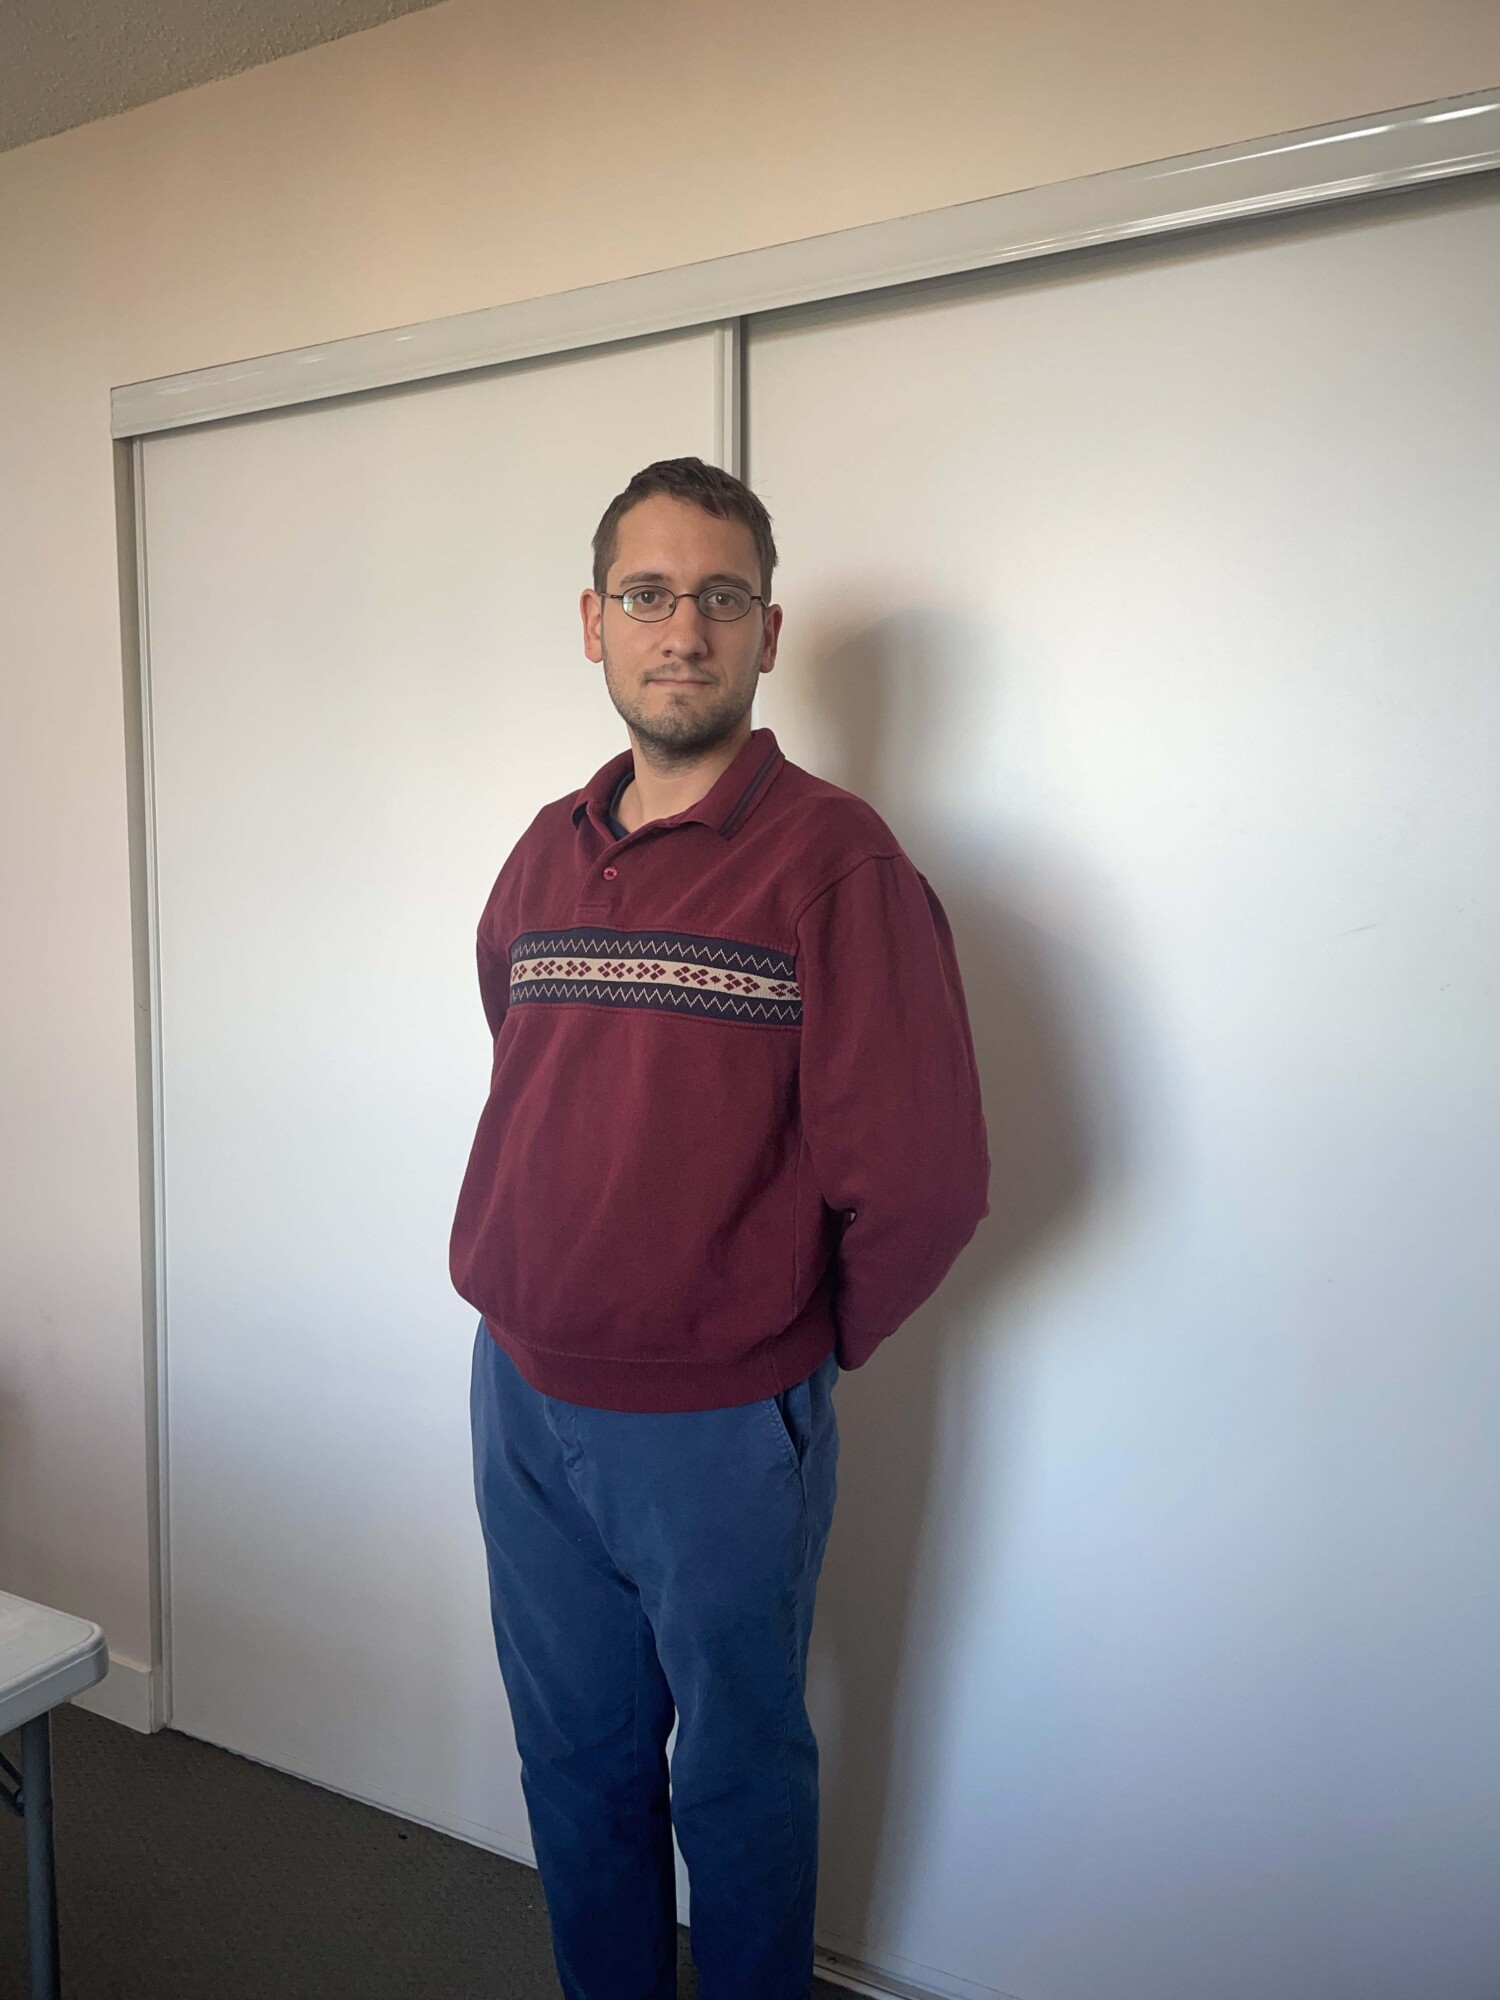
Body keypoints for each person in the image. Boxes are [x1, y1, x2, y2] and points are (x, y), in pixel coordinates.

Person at [451, 457, 990, 2000]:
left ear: (766, 630)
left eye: (719, 597)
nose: (680, 628)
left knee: (739, 1786)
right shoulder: (545, 849)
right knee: (575, 1766)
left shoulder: (837, 865)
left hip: (716, 1427)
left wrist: (782, 1341)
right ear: (593, 623)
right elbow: (526, 1058)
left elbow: (929, 1180)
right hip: (520, 1399)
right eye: (647, 595)